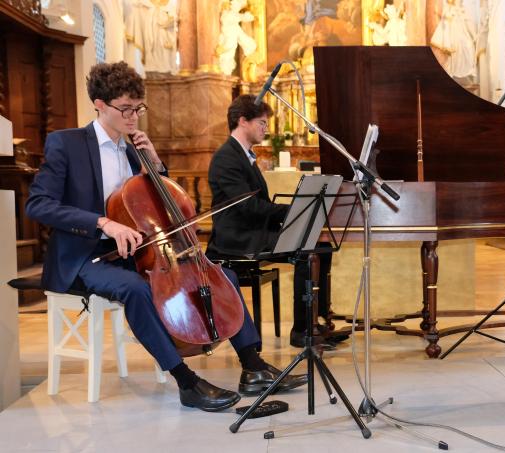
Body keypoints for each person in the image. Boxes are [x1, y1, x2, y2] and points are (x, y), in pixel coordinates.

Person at [25, 62, 306, 412]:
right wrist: (102, 223)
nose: (133, 117)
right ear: (99, 104)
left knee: (224, 276)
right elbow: (38, 205)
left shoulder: (132, 151)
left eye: (138, 108)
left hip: (137, 252)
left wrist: (156, 165)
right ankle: (186, 382)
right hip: (86, 255)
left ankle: (253, 366)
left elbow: (155, 203)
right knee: (137, 290)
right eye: (125, 109)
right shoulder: (67, 144)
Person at [206, 94, 347, 349]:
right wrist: (292, 212)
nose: (265, 129)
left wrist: (291, 214)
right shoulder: (227, 157)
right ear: (243, 121)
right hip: (238, 238)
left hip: (254, 231)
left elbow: (257, 205)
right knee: (307, 250)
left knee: (322, 247)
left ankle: (319, 321)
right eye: (261, 123)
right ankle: (302, 331)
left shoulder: (244, 155)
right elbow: (248, 207)